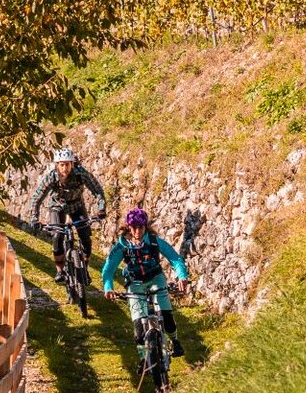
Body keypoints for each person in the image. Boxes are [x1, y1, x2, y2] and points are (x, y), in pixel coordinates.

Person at [103, 208, 190, 357]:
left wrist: (182, 276)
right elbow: (108, 269)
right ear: (129, 227)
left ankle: (175, 342)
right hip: (134, 283)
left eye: (141, 227)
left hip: (156, 279)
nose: (137, 231)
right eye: (134, 227)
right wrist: (108, 287)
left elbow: (175, 259)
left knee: (166, 315)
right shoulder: (121, 246)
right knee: (139, 331)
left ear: (145, 226)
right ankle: (143, 357)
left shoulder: (154, 241)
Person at [29, 149, 108, 265]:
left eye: (67, 164)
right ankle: (60, 270)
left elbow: (97, 190)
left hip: (77, 205)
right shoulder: (52, 177)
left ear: (72, 164)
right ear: (57, 165)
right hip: (57, 206)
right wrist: (34, 218)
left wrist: (101, 208)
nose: (64, 168)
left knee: (85, 235)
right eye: (62, 165)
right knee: (57, 236)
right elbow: (37, 197)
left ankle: (84, 267)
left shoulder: (81, 174)